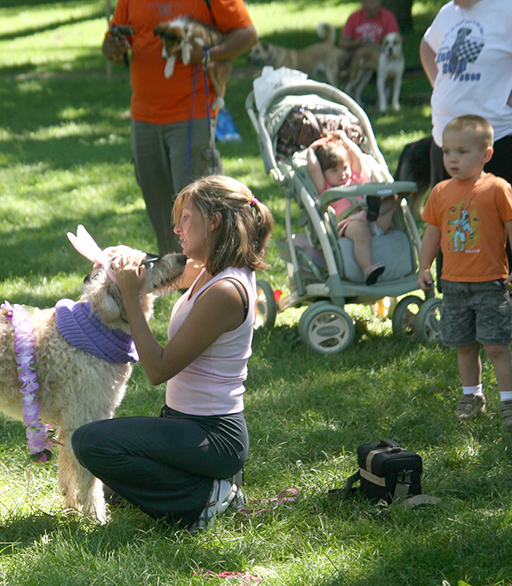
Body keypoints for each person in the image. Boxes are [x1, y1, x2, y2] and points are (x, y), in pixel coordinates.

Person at [71, 175, 274, 532]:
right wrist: (119, 261)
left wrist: (132, 299)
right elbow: (165, 270)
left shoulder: (226, 290)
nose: (176, 228)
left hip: (213, 436)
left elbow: (157, 369)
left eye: (186, 218)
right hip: (183, 425)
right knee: (110, 463)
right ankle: (194, 487)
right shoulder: (210, 267)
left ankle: (209, 496)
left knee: (89, 443)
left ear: (214, 222)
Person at [102, 0, 257, 255]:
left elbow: (247, 35)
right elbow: (114, 44)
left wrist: (208, 55)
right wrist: (112, 47)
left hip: (192, 114)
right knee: (163, 212)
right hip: (143, 118)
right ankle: (178, 283)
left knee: (201, 210)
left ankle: (216, 281)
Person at [417, 115, 512, 429]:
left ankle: (508, 400)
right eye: (447, 152)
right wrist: (424, 266)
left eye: (461, 152)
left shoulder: (497, 188)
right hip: (454, 285)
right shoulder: (441, 191)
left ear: (486, 154)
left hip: (490, 283)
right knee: (464, 345)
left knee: (496, 346)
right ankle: (472, 396)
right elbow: (432, 234)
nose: (452, 158)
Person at [420, 0, 512, 188]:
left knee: (496, 214)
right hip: (445, 142)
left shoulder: (506, 9)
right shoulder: (448, 12)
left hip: (496, 139)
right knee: (448, 213)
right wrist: (439, 85)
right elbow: (427, 45)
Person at [306, 130, 395, 285]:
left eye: (344, 168)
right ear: (325, 173)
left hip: (372, 221)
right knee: (359, 230)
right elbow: (313, 169)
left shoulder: (354, 178)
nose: (342, 174)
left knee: (391, 200)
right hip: (349, 223)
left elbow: (358, 158)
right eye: (334, 170)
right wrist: (311, 150)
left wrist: (346, 141)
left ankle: (375, 210)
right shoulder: (325, 187)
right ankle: (368, 268)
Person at [338, 0, 400, 76]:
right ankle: (344, 83)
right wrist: (357, 43)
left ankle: (385, 85)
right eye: (372, 2)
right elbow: (342, 43)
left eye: (378, 1)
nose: (376, 5)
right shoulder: (354, 17)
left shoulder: (388, 17)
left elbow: (396, 41)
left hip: (379, 53)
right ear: (363, 2)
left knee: (388, 57)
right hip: (357, 53)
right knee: (341, 55)